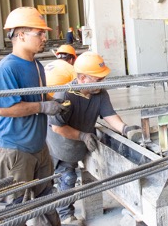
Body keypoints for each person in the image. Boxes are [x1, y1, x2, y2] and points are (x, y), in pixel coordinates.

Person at [0, 7, 68, 226]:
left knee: (46, 199)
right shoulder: (5, 69)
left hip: (38, 146)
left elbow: (38, 98)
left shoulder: (37, 65)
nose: (45, 37)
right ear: (20, 34)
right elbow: (2, 109)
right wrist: (44, 107)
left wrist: (54, 102)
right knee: (18, 209)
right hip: (14, 150)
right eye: (39, 33)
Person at [46, 51, 142, 224]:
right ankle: (66, 215)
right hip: (61, 145)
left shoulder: (100, 93)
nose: (102, 82)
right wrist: (82, 135)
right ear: (82, 79)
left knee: (70, 175)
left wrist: (125, 128)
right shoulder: (65, 95)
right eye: (98, 79)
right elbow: (57, 128)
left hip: (81, 142)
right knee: (66, 178)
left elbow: (109, 114)